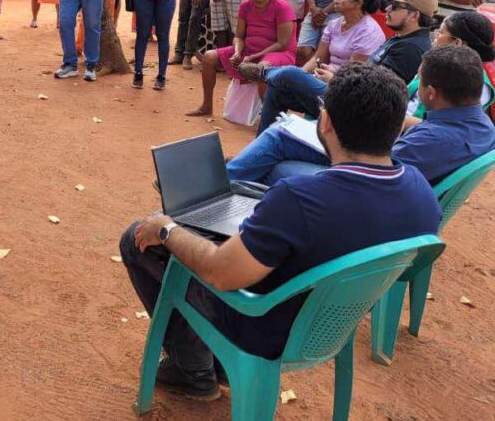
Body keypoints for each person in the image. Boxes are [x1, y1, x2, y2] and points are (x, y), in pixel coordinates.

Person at [120, 62, 440, 400]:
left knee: (138, 238)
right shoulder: (421, 193)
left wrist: (167, 229)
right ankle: (205, 365)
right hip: (334, 323)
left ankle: (195, 371)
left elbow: (220, 273)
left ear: (326, 121)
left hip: (264, 323)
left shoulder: (301, 199)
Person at [227, 46, 495, 187]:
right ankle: (231, 173)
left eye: (419, 80)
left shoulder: (433, 139)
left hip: (362, 192)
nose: (417, 84)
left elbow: (373, 173)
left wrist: (339, 139)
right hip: (394, 184)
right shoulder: (481, 126)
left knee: (279, 141)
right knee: (282, 140)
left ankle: (212, 192)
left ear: (432, 93)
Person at [253, 0, 409, 134]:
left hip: (344, 91)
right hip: (324, 80)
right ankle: (261, 144)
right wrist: (302, 76)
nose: (336, 1)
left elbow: (354, 76)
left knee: (288, 74)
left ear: (358, 3)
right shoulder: (334, 24)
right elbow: (317, 58)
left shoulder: (368, 32)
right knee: (278, 89)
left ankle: (264, 73)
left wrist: (330, 76)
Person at [185, 0, 296, 117]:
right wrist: (237, 52)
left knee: (263, 68)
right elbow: (239, 36)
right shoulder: (245, 6)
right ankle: (206, 106)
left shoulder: (282, 7)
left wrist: (254, 57)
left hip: (279, 53)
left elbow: (282, 43)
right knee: (209, 57)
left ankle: (270, 117)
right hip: (250, 50)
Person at [407, 10, 495, 117]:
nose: (435, 36)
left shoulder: (477, 87)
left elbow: (446, 127)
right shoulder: (437, 63)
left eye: (440, 32)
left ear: (457, 43)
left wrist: (400, 121)